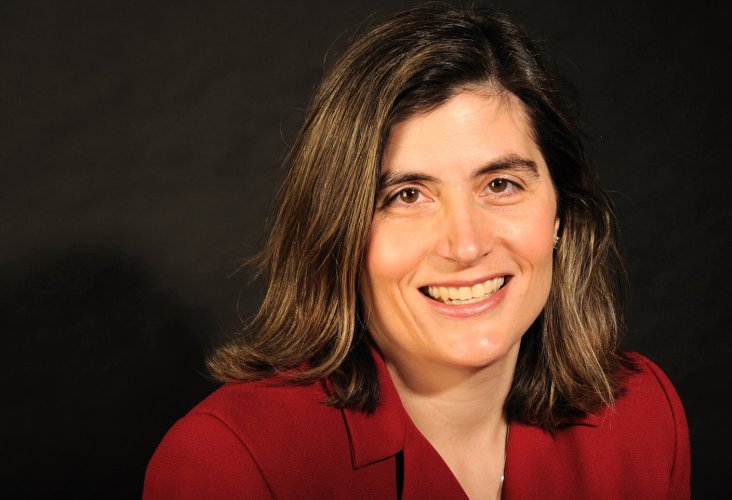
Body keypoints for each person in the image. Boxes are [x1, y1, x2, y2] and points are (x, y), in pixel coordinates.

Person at [143, 2, 690, 499]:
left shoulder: (640, 417)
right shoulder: (230, 466)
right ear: (339, 231)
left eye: (500, 184)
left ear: (561, 216)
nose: (467, 244)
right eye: (407, 195)